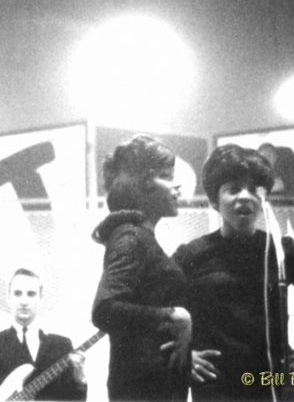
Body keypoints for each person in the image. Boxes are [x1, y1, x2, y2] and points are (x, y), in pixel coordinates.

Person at [173, 144, 294, 401]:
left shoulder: (281, 252)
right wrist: (186, 354)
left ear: (263, 198)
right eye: (233, 189)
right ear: (214, 201)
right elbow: (156, 307)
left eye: (253, 190)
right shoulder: (191, 255)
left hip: (275, 383)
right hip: (217, 386)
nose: (244, 196)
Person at [91, 135, 191, 402]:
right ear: (144, 184)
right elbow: (104, 309)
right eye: (167, 176)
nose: (177, 185)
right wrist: (174, 316)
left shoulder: (139, 237)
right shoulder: (131, 237)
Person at [0, 268, 87, 401]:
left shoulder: (61, 345)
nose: (24, 301)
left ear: (41, 299)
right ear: (8, 298)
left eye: (31, 294)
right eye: (17, 293)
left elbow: (76, 399)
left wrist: (80, 378)